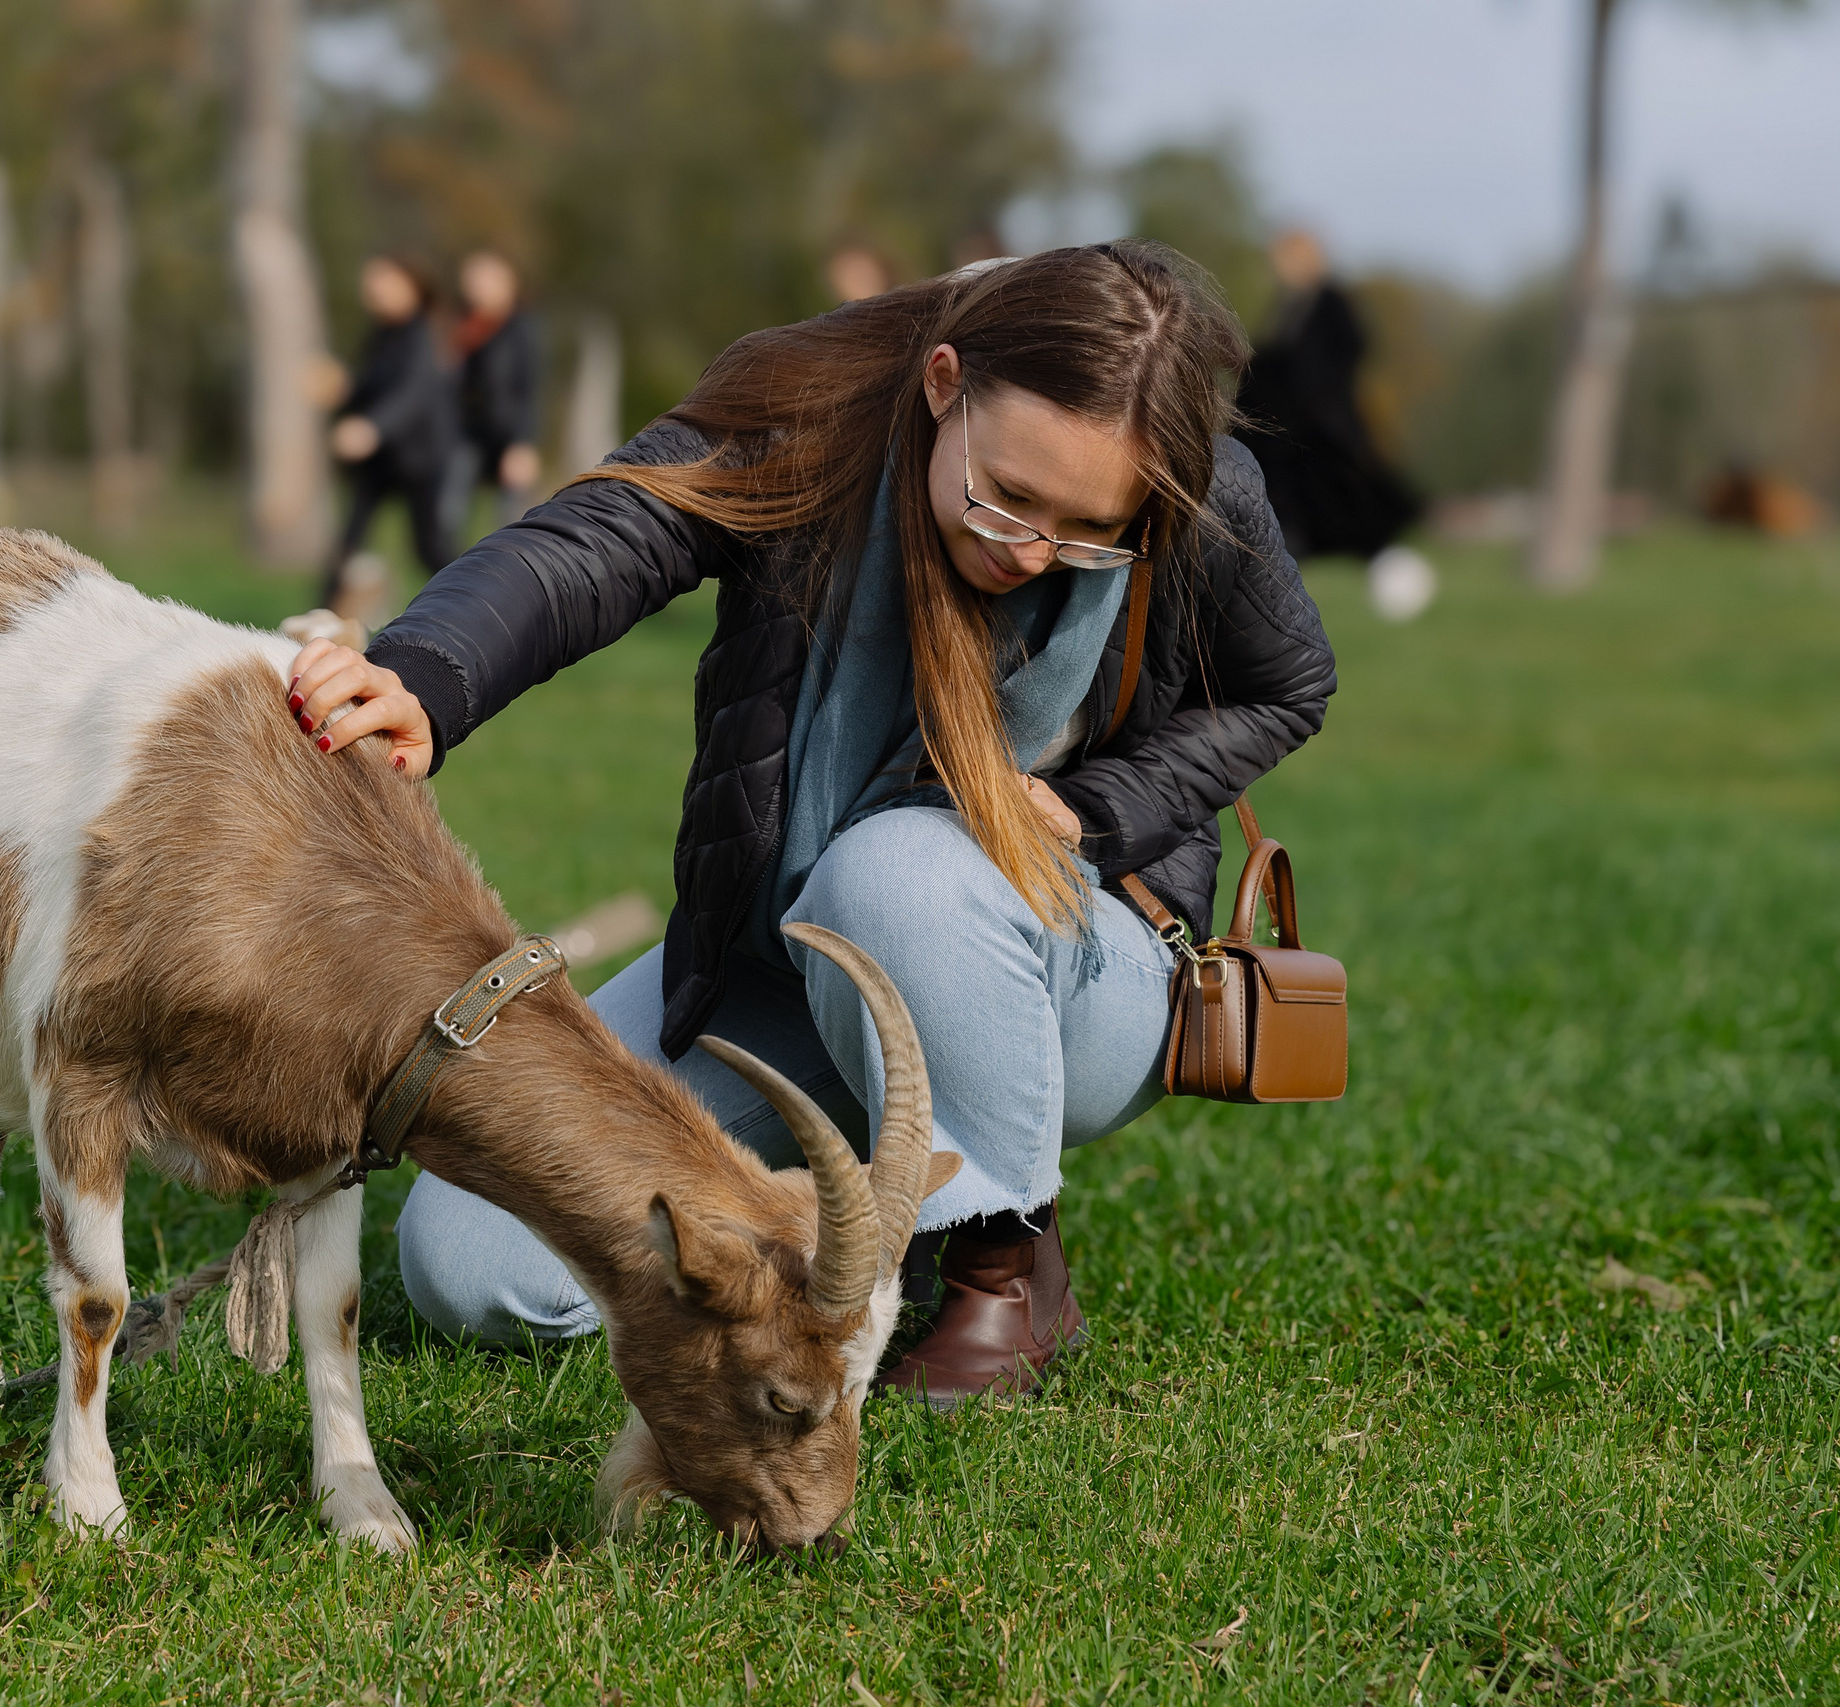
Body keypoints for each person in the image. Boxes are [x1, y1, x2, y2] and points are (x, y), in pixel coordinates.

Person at [285, 243, 1336, 1406]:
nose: (1029, 551)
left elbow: (1283, 686)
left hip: (1067, 969)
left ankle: (1003, 1263)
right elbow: (595, 544)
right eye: (1006, 495)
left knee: (897, 869)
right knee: (474, 1268)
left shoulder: (1199, 491)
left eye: (1084, 529)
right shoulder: (802, 420)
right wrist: (429, 673)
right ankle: (842, 1216)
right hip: (788, 961)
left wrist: (1095, 810)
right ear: (943, 383)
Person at [1233, 229, 1420, 561]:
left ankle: (1373, 549)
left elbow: (1349, 348)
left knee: (1344, 489)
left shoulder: (1331, 300)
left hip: (1323, 419)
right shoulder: (1289, 305)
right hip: (1292, 421)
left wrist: (1313, 385)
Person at [320, 255, 462, 609]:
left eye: (385, 283)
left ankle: (468, 605)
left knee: (429, 549)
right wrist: (341, 392)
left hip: (421, 456)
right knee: (348, 541)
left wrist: (373, 427)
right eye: (371, 286)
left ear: (413, 287)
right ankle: (317, 620)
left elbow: (414, 392)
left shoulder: (427, 333)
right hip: (381, 461)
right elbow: (372, 388)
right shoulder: (382, 333)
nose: (375, 293)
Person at [450, 251, 542, 530]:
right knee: (448, 514)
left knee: (509, 523)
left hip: (509, 436)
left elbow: (531, 389)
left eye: (485, 282)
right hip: (467, 435)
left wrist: (524, 443)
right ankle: (451, 572)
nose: (478, 290)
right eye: (472, 282)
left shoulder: (523, 330)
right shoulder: (461, 327)